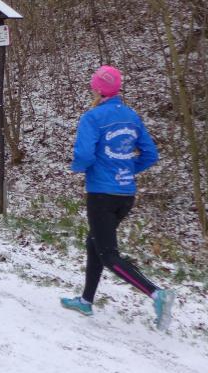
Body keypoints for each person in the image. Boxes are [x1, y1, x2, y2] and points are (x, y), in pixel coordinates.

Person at [60, 65, 175, 330]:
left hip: (102, 194)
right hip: (126, 194)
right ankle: (86, 301)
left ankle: (157, 294)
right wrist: (127, 170)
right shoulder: (131, 116)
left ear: (98, 89)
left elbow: (85, 155)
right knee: (94, 243)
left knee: (108, 255)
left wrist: (77, 167)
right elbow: (150, 155)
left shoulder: (92, 117)